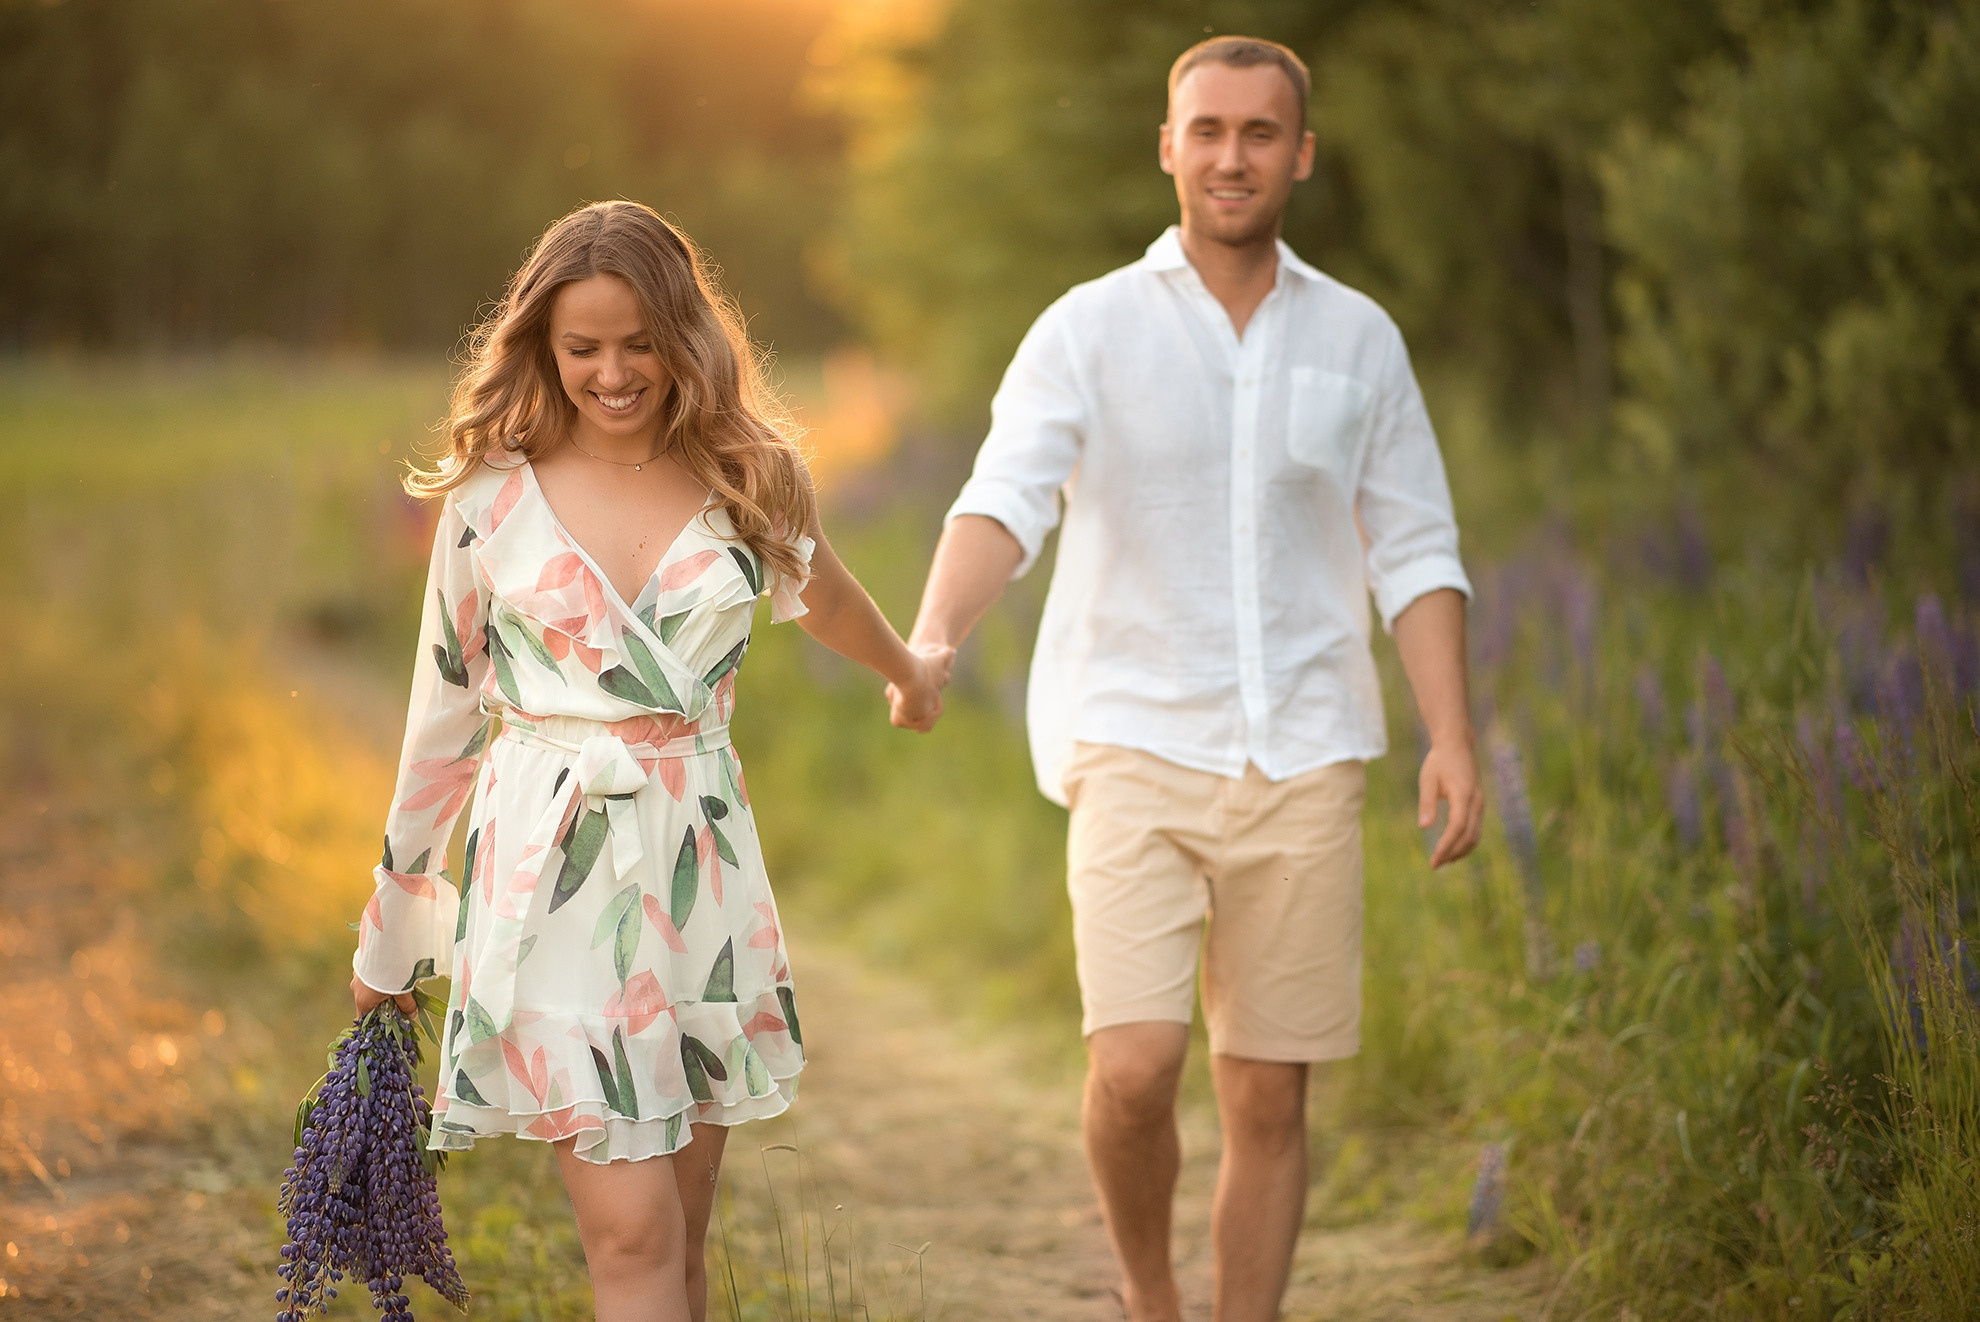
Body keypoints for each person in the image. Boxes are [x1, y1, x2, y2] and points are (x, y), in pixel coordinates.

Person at [890, 36, 1484, 1322]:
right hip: (1133, 740)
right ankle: (1153, 1294)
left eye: (1260, 133)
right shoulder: (1088, 328)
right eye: (1206, 129)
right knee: (1138, 1067)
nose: (1232, 155)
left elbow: (1418, 543)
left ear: (1301, 155)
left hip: (1309, 746)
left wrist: (1451, 734)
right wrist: (936, 635)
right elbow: (1005, 499)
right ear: (1167, 144)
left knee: (1269, 1092)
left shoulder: (1361, 340)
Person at [349, 200, 949, 1322]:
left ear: (686, 335)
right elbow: (443, 708)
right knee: (629, 1233)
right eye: (583, 348)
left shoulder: (747, 475)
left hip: (698, 864)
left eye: (639, 342)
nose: (614, 372)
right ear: (543, 346)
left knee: (678, 1228)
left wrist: (909, 669)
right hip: (553, 866)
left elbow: (818, 592)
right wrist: (395, 917)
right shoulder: (490, 500)